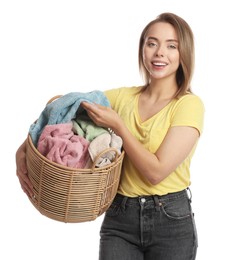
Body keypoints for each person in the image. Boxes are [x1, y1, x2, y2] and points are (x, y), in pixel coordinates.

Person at [16, 12, 204, 260]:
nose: (160, 52)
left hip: (170, 221)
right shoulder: (121, 98)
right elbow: (67, 109)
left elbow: (156, 172)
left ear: (184, 54)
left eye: (172, 46)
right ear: (142, 50)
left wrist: (120, 127)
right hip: (120, 218)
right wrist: (21, 152)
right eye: (152, 43)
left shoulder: (189, 105)